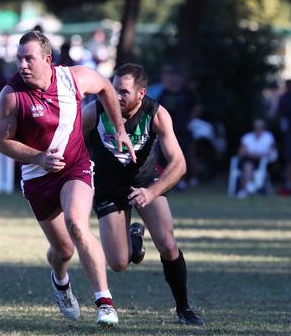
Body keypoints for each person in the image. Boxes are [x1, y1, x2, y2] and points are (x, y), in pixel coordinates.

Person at [0, 31, 135, 328]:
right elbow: (2, 143)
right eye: (19, 59)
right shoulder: (10, 95)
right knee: (63, 251)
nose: (22, 65)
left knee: (77, 224)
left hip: (75, 167)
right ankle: (60, 281)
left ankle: (104, 302)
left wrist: (120, 128)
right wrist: (38, 158)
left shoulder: (74, 78)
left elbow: (107, 89)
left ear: (47, 60)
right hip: (37, 177)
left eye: (29, 58)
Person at [82, 63, 205, 326]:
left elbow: (179, 164)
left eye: (124, 92)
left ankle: (183, 309)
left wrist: (151, 192)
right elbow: (72, 143)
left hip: (145, 182)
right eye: (114, 89)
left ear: (141, 93)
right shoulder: (94, 111)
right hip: (108, 186)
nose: (116, 96)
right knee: (118, 263)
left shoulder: (156, 114)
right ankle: (134, 240)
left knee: (168, 243)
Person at [157, 63, 202, 188]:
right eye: (170, 77)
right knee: (165, 155)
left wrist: (190, 121)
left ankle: (189, 178)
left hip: (183, 130)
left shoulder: (187, 93)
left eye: (176, 77)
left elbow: (197, 107)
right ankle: (171, 181)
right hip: (169, 130)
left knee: (187, 154)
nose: (173, 80)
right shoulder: (164, 93)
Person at [235, 118, 276, 197]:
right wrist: (254, 154)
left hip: (264, 162)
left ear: (264, 127)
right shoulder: (247, 137)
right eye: (256, 127)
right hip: (247, 160)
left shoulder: (268, 136)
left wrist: (257, 154)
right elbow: (241, 152)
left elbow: (272, 151)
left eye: (260, 127)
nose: (258, 128)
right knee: (248, 166)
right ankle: (248, 188)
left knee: (250, 166)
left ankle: (246, 190)